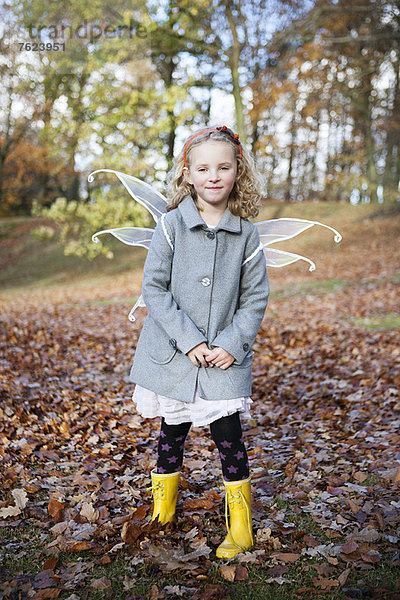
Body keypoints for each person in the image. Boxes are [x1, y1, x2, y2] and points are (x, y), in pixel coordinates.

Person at [129, 125, 269, 558]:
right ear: (187, 173)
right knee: (172, 432)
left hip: (224, 359)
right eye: (203, 167)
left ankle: (241, 528)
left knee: (229, 435)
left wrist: (233, 342)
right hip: (174, 355)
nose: (213, 176)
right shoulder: (172, 225)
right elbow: (154, 288)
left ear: (237, 173)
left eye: (223, 167)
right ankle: (163, 511)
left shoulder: (245, 233)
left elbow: (255, 297)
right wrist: (189, 341)